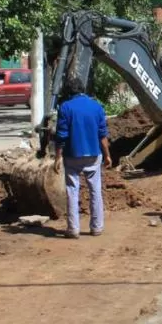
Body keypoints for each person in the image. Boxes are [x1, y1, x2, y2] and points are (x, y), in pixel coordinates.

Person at [54, 77, 111, 238]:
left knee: (72, 190)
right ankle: (97, 227)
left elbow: (61, 135)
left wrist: (57, 157)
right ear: (83, 89)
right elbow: (103, 134)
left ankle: (73, 229)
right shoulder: (96, 106)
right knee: (95, 190)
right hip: (94, 154)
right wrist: (107, 155)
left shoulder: (65, 107)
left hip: (72, 155)